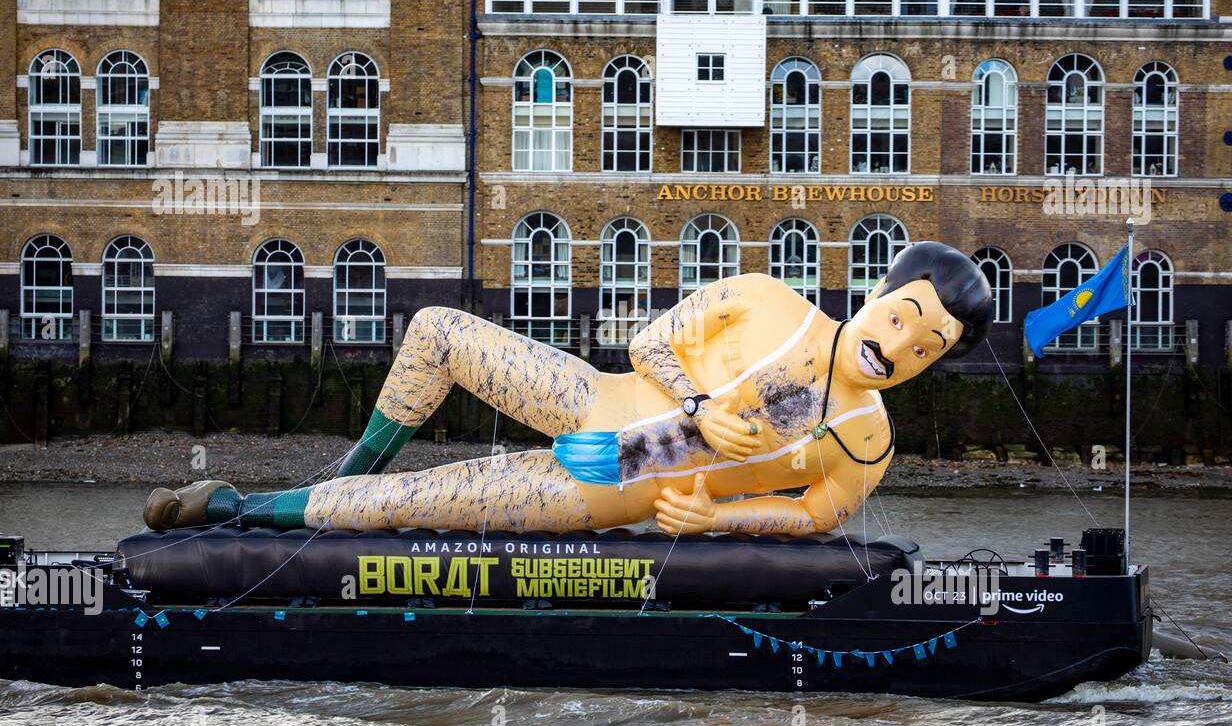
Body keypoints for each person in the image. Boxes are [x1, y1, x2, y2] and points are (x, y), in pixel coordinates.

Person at [144, 241, 991, 536]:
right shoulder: (769, 299)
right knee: (435, 329)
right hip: (594, 399)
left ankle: (232, 509)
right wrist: (692, 406)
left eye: (932, 345)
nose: (904, 344)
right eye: (907, 316)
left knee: (402, 503)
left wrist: (713, 517)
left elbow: (817, 516)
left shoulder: (865, 438)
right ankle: (349, 464)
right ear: (880, 292)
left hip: (595, 492)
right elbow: (649, 341)